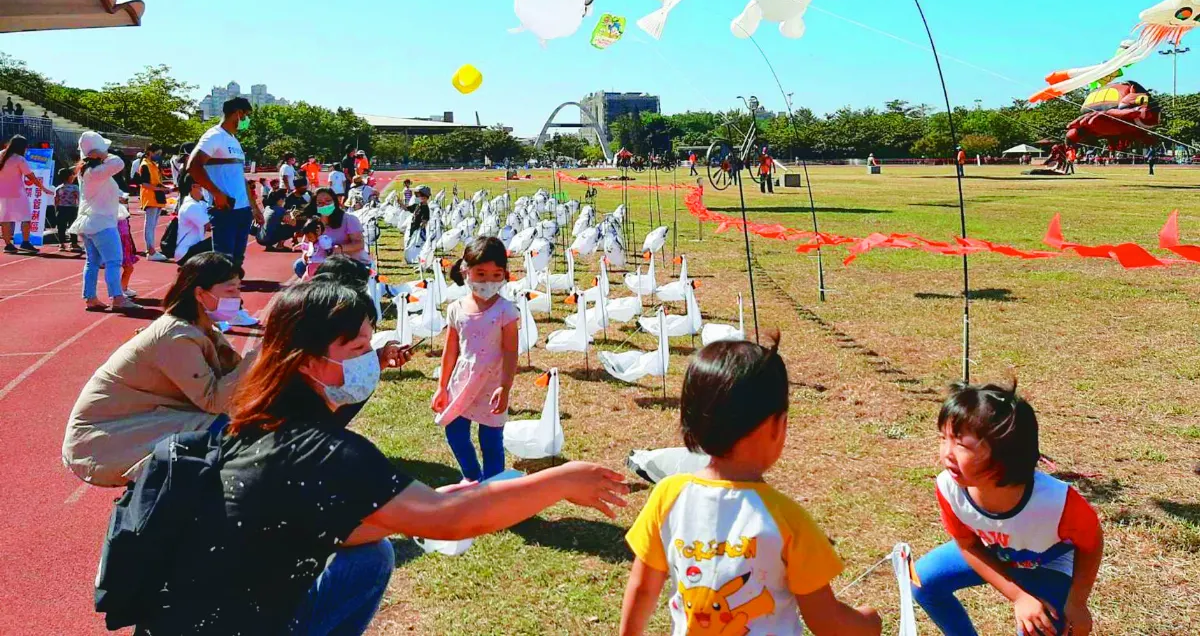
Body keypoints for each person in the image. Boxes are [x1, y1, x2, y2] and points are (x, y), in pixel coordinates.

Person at [132, 280, 627, 635]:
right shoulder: (324, 449)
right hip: (238, 624)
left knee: (370, 553)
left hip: (180, 616)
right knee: (369, 557)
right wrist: (562, 480)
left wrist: (408, 515)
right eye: (359, 346)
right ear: (307, 360)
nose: (372, 356)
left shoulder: (249, 422)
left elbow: (317, 525)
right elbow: (451, 521)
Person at [620, 338, 881, 635]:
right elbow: (828, 623)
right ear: (777, 426)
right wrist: (869, 621)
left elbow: (642, 589)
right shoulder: (787, 520)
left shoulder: (667, 496)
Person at [912, 382, 1103, 636]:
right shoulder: (949, 488)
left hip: (1049, 564)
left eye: (961, 444)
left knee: (1040, 625)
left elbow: (1092, 544)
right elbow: (967, 545)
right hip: (996, 554)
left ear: (1005, 452)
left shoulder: (1057, 502)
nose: (947, 453)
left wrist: (1077, 603)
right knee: (921, 579)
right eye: (943, 438)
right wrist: (1018, 596)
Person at [62, 253, 254, 487]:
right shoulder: (176, 335)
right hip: (103, 438)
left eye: (239, 290)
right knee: (226, 429)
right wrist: (255, 360)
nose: (239, 298)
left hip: (143, 419)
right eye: (231, 291)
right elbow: (214, 400)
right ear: (200, 294)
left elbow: (237, 381)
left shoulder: (203, 329)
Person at [431, 237, 519, 483]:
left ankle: (494, 492)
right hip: (462, 381)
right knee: (455, 432)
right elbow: (450, 350)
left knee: (491, 441)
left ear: (504, 275)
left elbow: (511, 352)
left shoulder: (506, 311)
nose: (488, 281)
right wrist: (442, 386)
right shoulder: (456, 309)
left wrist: (505, 386)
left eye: (496, 274)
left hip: (491, 386)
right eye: (480, 273)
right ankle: (473, 477)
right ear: (465, 271)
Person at [187, 97, 258, 266]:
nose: (247, 121)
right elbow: (194, 166)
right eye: (246, 116)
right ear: (238, 113)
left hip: (242, 209)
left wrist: (254, 207)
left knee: (237, 260)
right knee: (223, 262)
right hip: (225, 209)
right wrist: (217, 194)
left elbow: (239, 177)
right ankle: (219, 291)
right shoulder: (214, 136)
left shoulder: (233, 140)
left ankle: (231, 290)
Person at [74, 131, 139, 311]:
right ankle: (117, 297)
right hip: (101, 223)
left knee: (92, 262)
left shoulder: (86, 171)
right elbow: (118, 162)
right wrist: (102, 153)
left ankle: (91, 297)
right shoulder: (97, 171)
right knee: (113, 261)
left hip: (88, 222)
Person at [0, 134, 54, 254]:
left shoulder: (1, 154)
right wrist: (43, 188)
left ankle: (8, 244)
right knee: (25, 217)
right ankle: (25, 242)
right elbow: (30, 176)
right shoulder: (19, 159)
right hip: (17, 192)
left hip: (2, 193)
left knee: (5, 219)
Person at [303, 186, 369, 262]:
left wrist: (340, 248)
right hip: (320, 260)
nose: (324, 204)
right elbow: (306, 243)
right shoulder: (312, 222)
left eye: (328, 201)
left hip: (348, 260)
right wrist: (306, 253)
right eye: (320, 203)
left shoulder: (349, 219)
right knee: (299, 265)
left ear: (335, 201)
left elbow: (359, 244)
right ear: (314, 205)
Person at [136, 143, 170, 260]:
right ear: (150, 152)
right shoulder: (145, 165)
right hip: (150, 197)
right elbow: (145, 184)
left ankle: (151, 250)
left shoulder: (153, 165)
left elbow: (155, 181)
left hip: (157, 196)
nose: (159, 156)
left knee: (153, 225)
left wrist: (165, 188)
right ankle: (150, 251)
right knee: (150, 225)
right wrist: (161, 188)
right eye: (157, 153)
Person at [173, 177, 214, 263]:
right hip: (185, 252)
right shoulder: (190, 206)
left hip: (194, 247)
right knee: (219, 240)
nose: (203, 188)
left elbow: (212, 211)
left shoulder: (199, 203)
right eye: (201, 186)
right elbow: (209, 225)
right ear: (193, 186)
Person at [115, 197, 140, 299]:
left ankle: (123, 288)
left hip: (125, 241)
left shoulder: (121, 212)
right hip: (119, 241)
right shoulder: (113, 213)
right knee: (127, 267)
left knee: (128, 268)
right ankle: (121, 289)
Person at [53, 167, 81, 252]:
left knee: (61, 227)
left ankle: (61, 244)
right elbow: (78, 198)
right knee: (73, 226)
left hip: (61, 209)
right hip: (72, 208)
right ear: (69, 177)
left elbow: (56, 200)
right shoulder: (75, 187)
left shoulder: (58, 188)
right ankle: (74, 243)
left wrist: (56, 210)